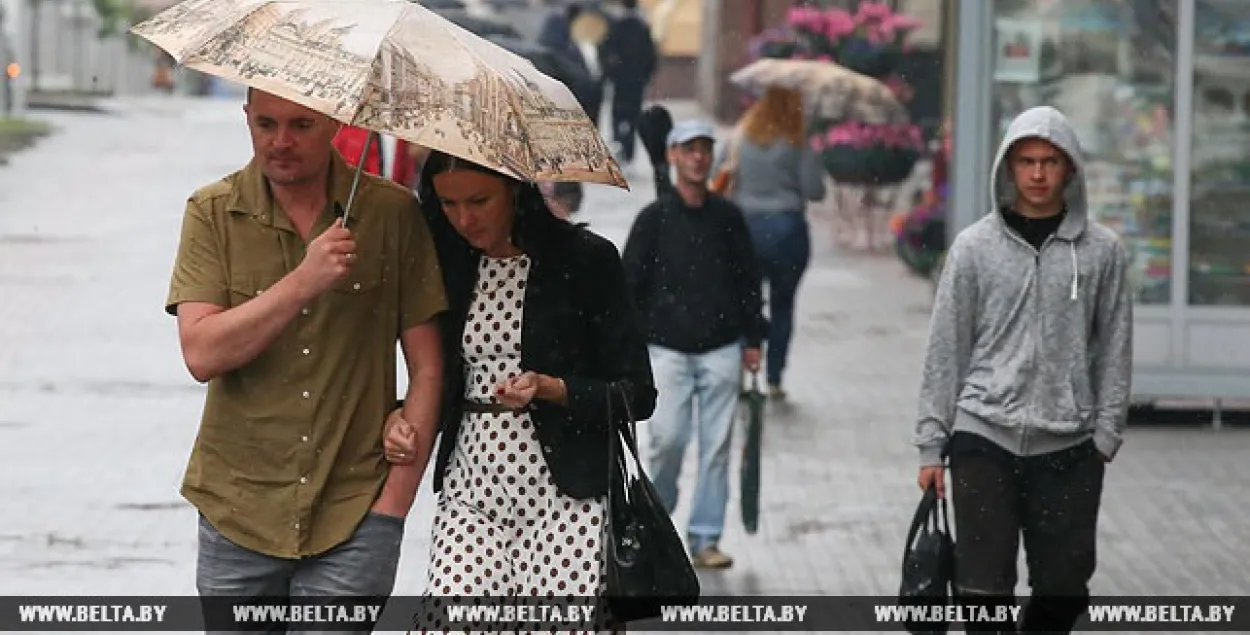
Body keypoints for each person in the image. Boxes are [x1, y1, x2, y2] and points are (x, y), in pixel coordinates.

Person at [165, 88, 447, 633]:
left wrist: (394, 505)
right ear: (246, 118)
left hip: (355, 510)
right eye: (266, 123)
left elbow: (429, 367)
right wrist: (303, 282)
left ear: (336, 123)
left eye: (301, 125)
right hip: (236, 507)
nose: (282, 142)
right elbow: (201, 353)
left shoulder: (389, 214)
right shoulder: (212, 212)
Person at [382, 151, 656, 627]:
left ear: (514, 189)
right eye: (448, 204)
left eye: (479, 201)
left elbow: (637, 393)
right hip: (473, 487)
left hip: (569, 495)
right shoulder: (444, 264)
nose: (464, 218)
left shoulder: (587, 261)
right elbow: (429, 370)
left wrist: (555, 388)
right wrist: (396, 414)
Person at [913, 106, 1132, 633]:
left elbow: (1116, 347)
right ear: (1008, 168)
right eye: (1027, 161)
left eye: (1050, 162)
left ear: (1069, 169)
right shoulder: (973, 249)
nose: (1037, 174)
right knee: (982, 595)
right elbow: (946, 347)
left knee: (1062, 590)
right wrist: (931, 444)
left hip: (1071, 447)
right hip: (983, 439)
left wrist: (1106, 434)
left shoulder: (1103, 252)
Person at [621, 119, 766, 569]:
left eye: (704, 148)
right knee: (665, 440)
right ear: (673, 156)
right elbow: (629, 285)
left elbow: (748, 281)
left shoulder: (728, 218)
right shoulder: (653, 220)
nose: (698, 157)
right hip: (665, 349)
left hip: (722, 347)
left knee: (717, 447)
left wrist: (754, 338)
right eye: (689, 149)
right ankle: (655, 525)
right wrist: (631, 342)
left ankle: (705, 538)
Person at [712, 86, 825, 400]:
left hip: (743, 228)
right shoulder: (797, 140)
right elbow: (814, 190)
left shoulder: (740, 135)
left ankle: (740, 367)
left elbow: (715, 173)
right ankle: (774, 377)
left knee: (742, 302)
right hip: (787, 230)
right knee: (783, 305)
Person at [599, 0, 657, 166]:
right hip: (636, 80)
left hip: (619, 79)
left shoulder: (614, 26)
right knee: (633, 115)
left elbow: (605, 51)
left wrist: (609, 73)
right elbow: (650, 55)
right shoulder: (642, 28)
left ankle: (618, 142)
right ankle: (629, 148)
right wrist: (645, 75)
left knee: (618, 112)